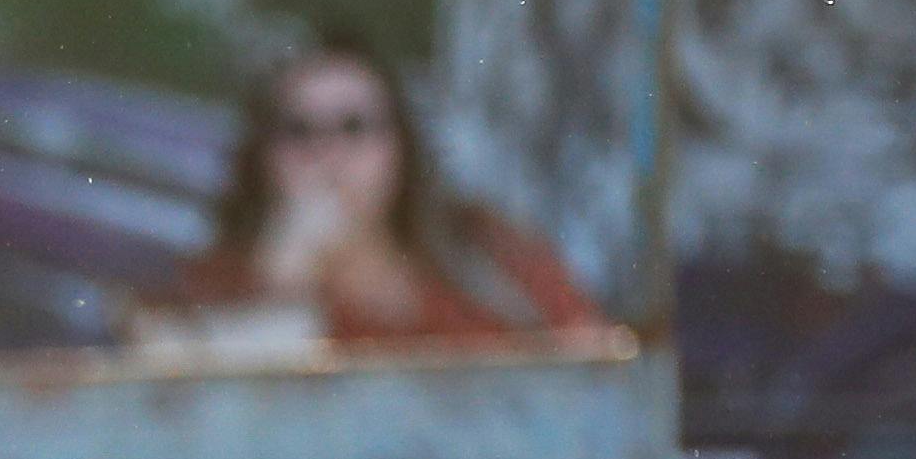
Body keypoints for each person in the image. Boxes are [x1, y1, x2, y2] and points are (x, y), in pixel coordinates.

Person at [149, 40, 599, 352]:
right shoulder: (220, 285)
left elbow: (593, 372)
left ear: (400, 145)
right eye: (299, 131)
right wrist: (283, 284)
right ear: (263, 158)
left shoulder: (487, 254)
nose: (328, 154)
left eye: (355, 126)